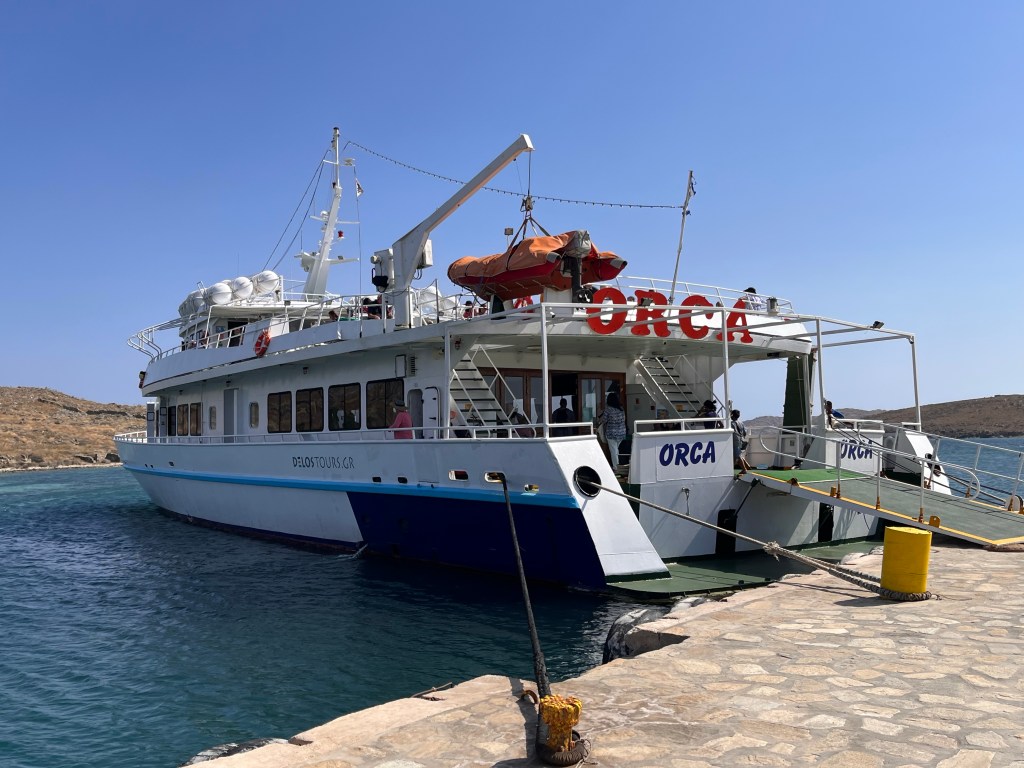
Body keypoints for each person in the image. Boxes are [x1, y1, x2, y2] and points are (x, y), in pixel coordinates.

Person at [595, 392, 627, 467]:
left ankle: (616, 468)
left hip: (611, 434)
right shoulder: (621, 409)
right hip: (621, 433)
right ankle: (617, 466)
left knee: (614, 451)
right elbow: (624, 419)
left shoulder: (608, 410)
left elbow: (603, 420)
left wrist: (599, 412)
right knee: (616, 450)